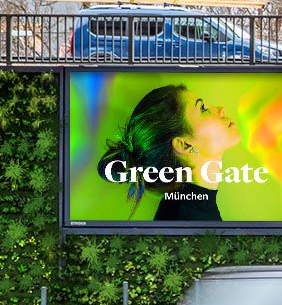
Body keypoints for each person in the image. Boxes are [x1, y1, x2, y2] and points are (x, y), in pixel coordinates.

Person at [96, 83, 241, 222]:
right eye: (203, 108)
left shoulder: (190, 209)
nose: (221, 109)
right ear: (185, 145)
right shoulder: (186, 221)